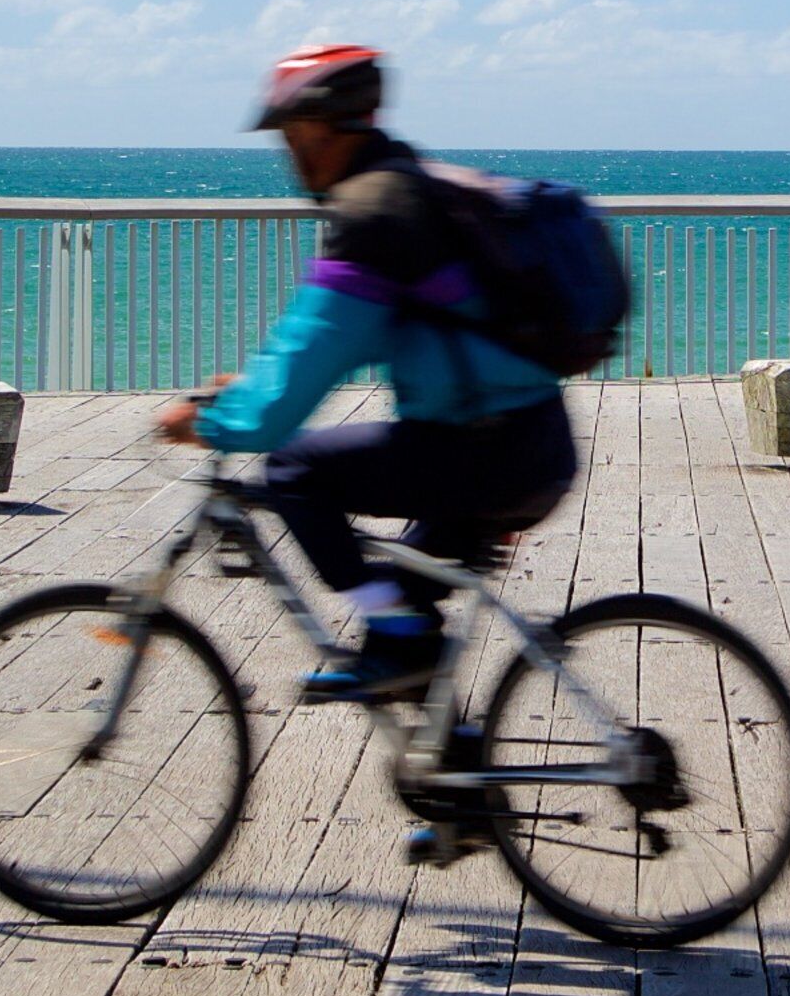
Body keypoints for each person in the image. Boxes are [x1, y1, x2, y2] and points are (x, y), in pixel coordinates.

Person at [153, 43, 577, 702]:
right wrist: (250, 389)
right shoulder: (409, 187)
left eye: (288, 136)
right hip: (526, 440)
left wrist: (215, 419)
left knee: (295, 471)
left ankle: (402, 642)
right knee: (406, 614)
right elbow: (335, 344)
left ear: (317, 128)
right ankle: (458, 777)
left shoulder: (373, 214)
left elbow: (309, 355)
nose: (287, 153)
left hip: (484, 450)